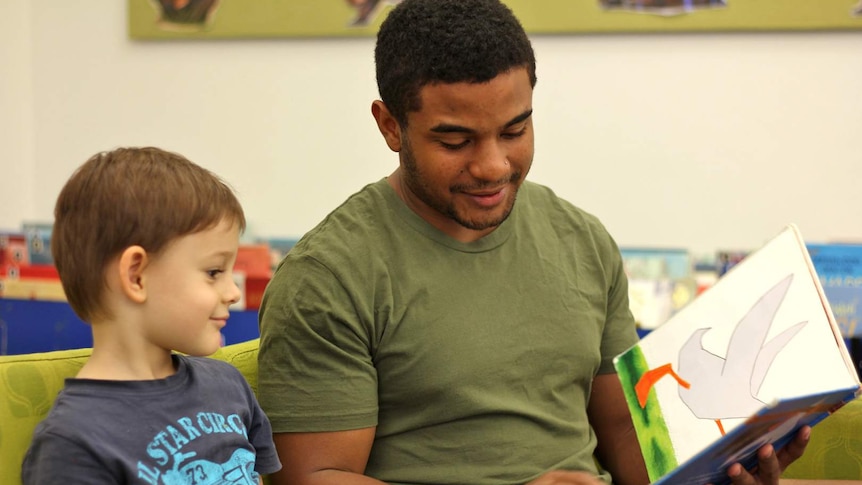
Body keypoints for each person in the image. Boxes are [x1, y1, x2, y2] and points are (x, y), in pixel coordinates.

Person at [256, 0, 809, 484]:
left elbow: (622, 428)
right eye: (455, 140)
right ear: (390, 126)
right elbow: (315, 477)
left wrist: (714, 472)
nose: (493, 166)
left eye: (515, 131)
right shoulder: (329, 276)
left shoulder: (581, 239)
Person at [22, 147, 281, 484]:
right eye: (214, 271)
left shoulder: (229, 387)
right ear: (136, 276)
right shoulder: (73, 442)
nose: (232, 292)